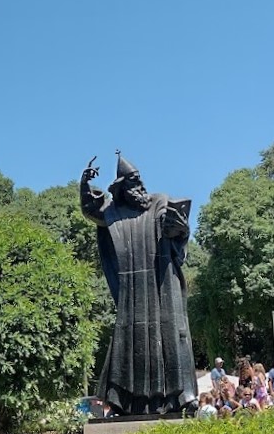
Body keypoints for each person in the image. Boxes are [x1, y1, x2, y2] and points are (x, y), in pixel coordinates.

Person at [81, 154, 197, 415]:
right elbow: (92, 211)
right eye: (133, 182)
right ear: (122, 188)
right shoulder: (115, 213)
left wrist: (181, 231)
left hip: (163, 286)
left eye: (139, 180)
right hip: (133, 291)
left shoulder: (161, 202)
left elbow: (180, 230)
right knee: (131, 343)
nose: (140, 186)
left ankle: (180, 399)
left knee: (173, 338)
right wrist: (84, 185)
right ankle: (128, 403)